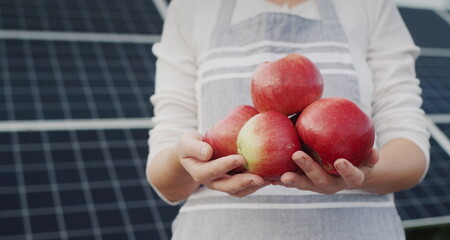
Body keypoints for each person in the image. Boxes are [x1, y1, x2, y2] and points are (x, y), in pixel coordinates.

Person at [146, 0, 430, 239]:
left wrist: (362, 176)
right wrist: (187, 160)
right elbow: (166, 181)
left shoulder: (370, 5)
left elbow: (411, 152)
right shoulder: (191, 7)